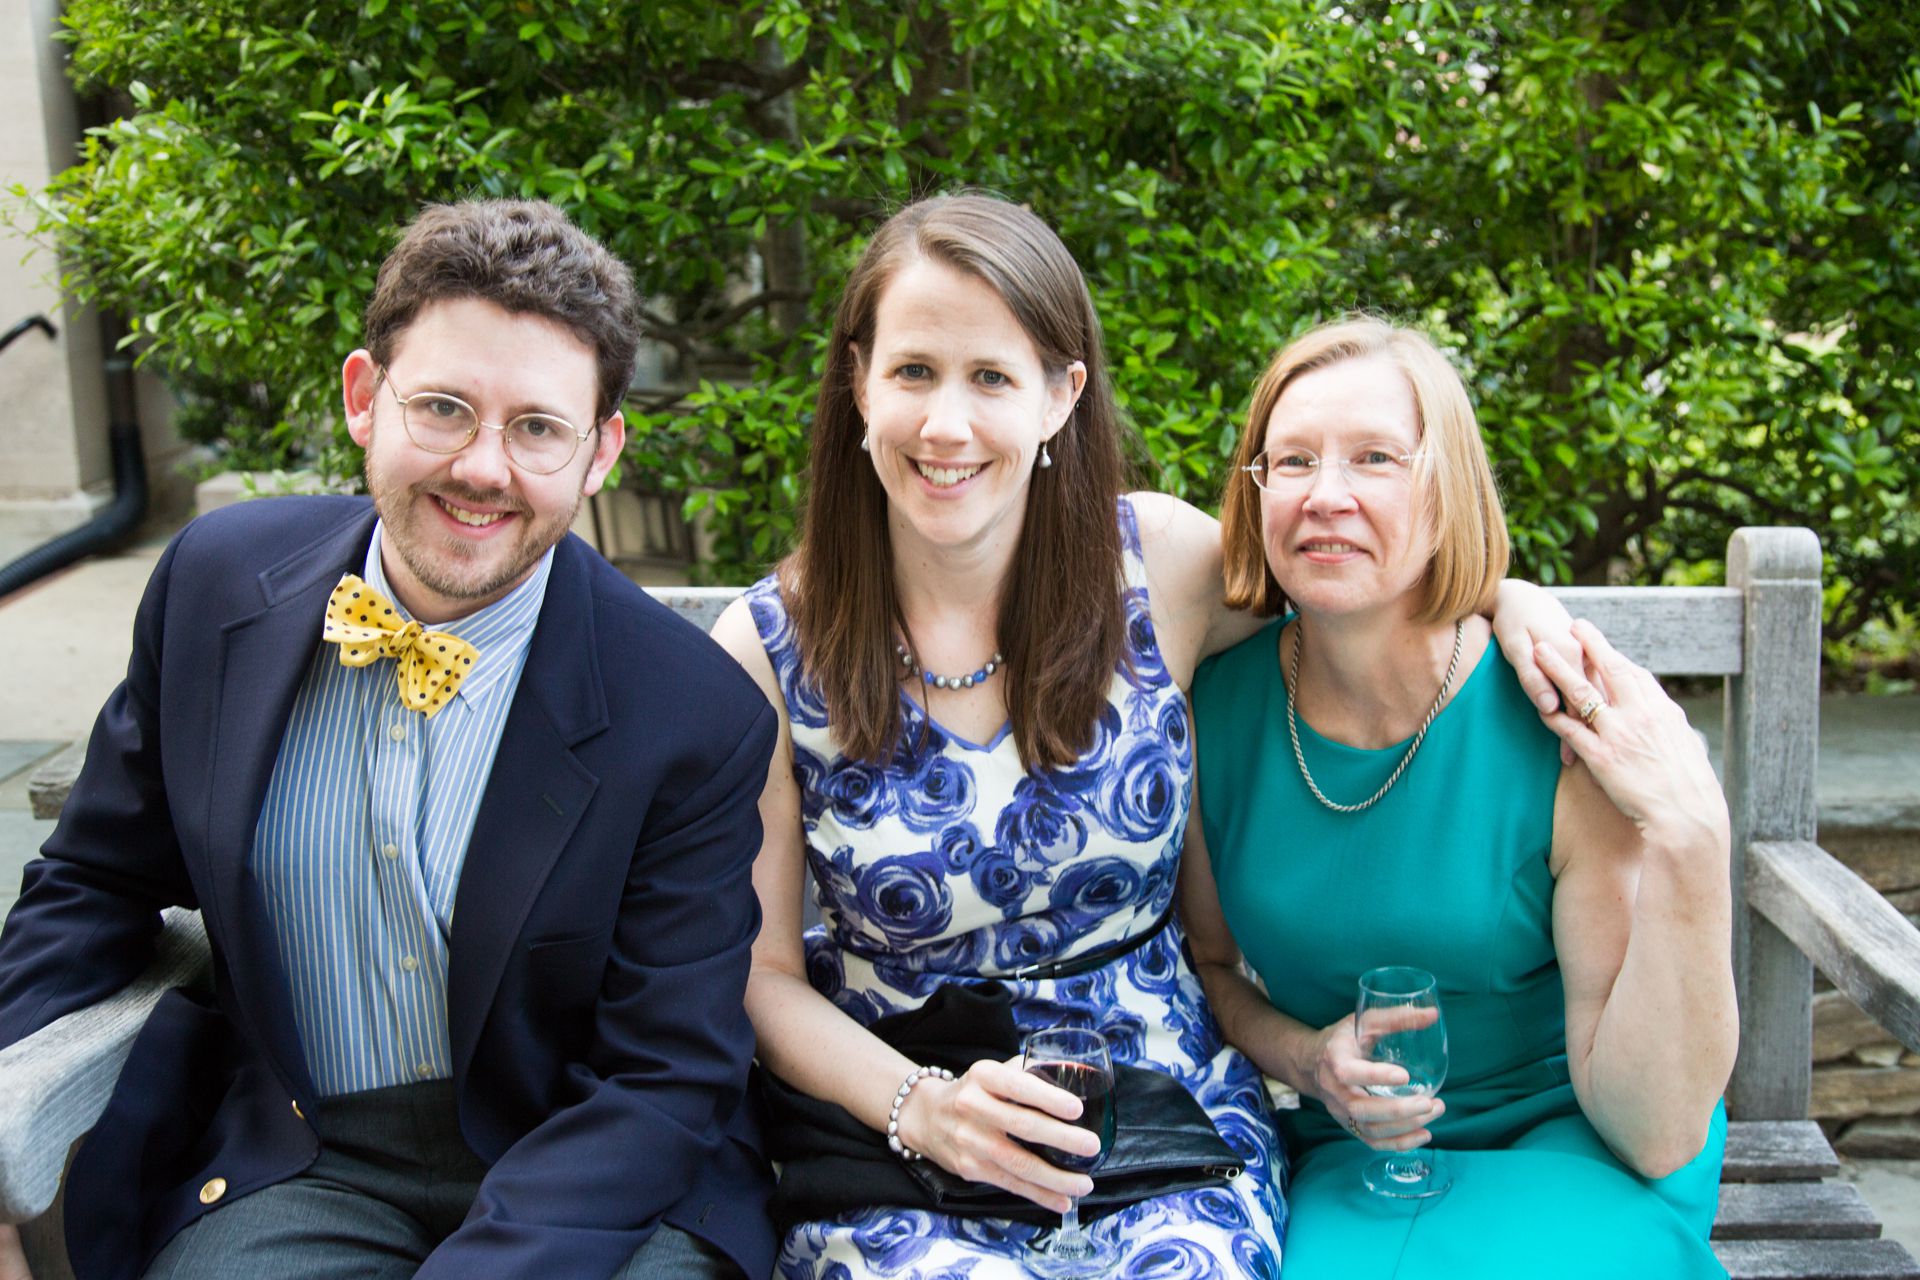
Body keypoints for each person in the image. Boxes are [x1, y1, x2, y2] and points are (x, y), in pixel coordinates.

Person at [708, 196, 1582, 1277]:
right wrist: (921, 1106)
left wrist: (1511, 599)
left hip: (1160, 1111)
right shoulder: (766, 648)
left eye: (991, 376)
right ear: (858, 384)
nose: (946, 425)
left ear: (1061, 396)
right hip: (905, 1123)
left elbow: (1355, 567)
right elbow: (759, 971)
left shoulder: (1157, 566)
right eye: (913, 372)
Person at [0, 200, 777, 1280]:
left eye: (538, 427)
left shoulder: (690, 708)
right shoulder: (215, 586)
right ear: (366, 398)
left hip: (599, 1170)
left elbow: (667, 1071)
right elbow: (92, 879)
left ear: (601, 452)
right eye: (445, 407)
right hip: (303, 1148)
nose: (483, 467)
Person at [1181, 315, 1737, 1278]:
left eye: (1375, 459)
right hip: (1356, 1153)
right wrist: (1309, 1059)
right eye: (1294, 461)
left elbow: (1652, 1129)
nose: (1328, 496)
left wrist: (1694, 836)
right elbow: (1215, 973)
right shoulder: (1210, 715)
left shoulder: (1551, 715)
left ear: (1445, 496)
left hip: (1578, 1147)